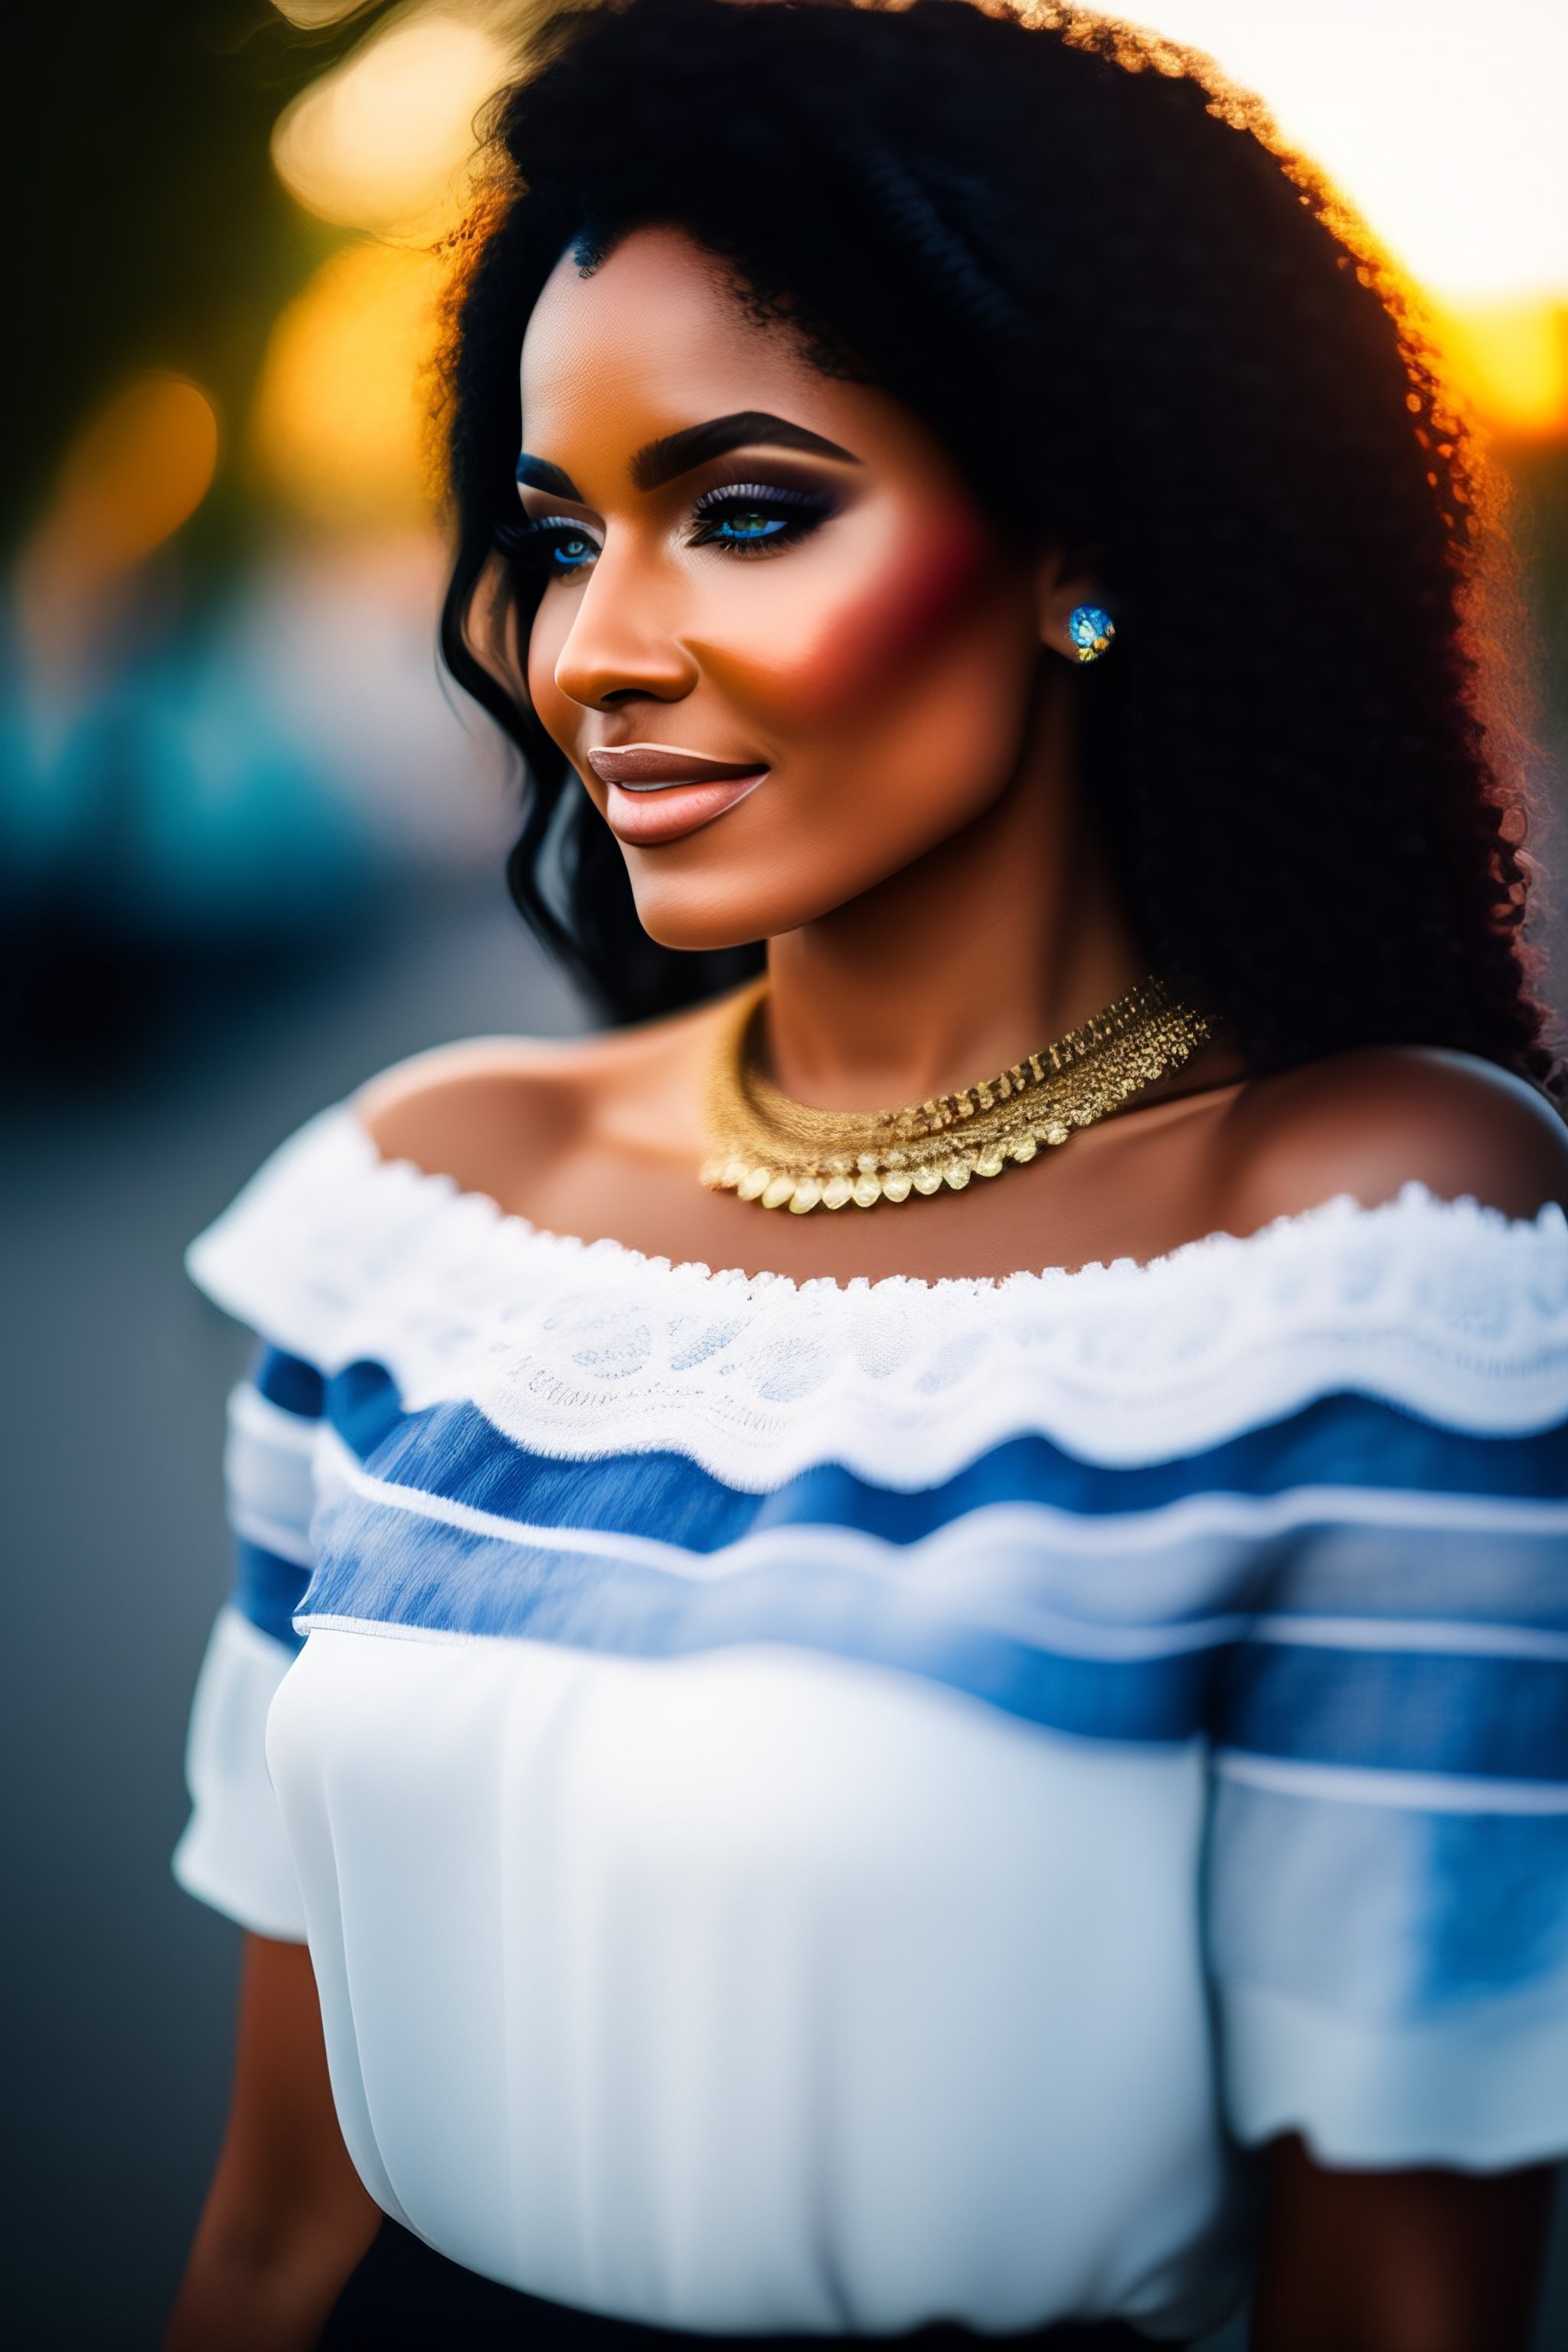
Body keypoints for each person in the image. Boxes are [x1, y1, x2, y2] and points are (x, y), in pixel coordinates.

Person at [165, 4, 1568, 2346]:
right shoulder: (414, 1216)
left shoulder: (1371, 1256)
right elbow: (276, 2225)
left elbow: (1398, 2290)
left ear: (1083, 539)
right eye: (548, 537)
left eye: (745, 510)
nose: (595, 652)